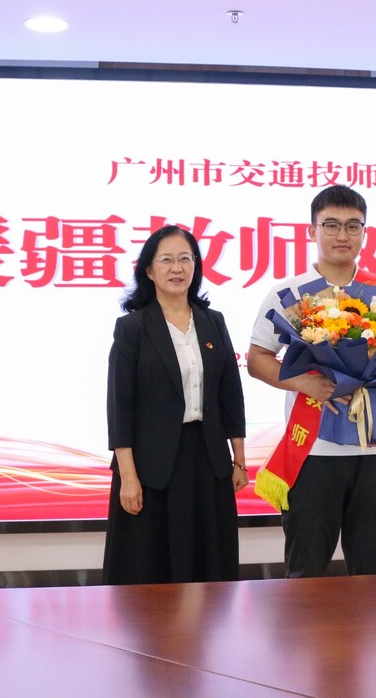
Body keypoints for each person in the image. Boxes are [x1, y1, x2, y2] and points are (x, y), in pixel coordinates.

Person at [248, 184, 376, 578]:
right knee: (306, 570)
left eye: (353, 226)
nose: (342, 235)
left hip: (372, 452)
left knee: (372, 570)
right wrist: (303, 384)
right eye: (331, 225)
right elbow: (257, 359)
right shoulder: (288, 293)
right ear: (312, 231)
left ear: (365, 233)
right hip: (312, 453)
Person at [103, 225, 249, 585]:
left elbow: (230, 393)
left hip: (208, 459)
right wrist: (128, 477)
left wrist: (239, 459)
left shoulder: (213, 322)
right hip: (151, 466)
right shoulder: (132, 328)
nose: (177, 268)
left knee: (209, 564)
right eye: (166, 260)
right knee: (151, 567)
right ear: (149, 270)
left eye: (185, 259)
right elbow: (120, 406)